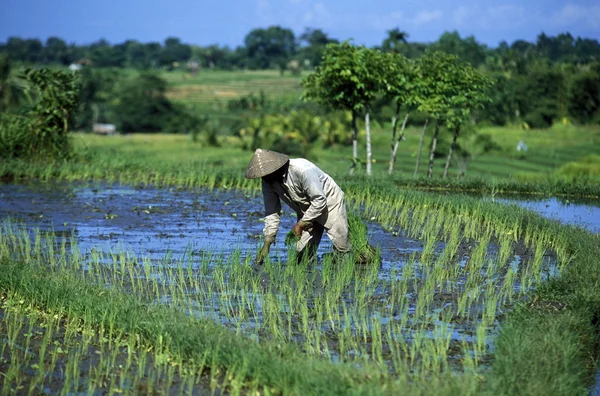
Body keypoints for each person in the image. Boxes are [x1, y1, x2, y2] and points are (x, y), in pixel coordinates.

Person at [244, 148, 350, 265]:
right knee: (301, 257)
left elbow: (319, 200)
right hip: (304, 208)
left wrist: (301, 224)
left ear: (277, 168)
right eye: (262, 176)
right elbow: (271, 211)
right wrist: (268, 241)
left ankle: (348, 262)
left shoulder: (303, 170)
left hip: (330, 202)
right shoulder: (268, 181)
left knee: (342, 247)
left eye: (267, 175)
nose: (264, 179)